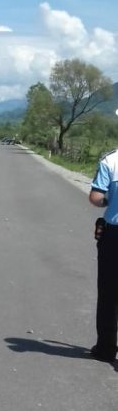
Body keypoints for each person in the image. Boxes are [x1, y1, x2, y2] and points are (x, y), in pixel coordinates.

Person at [89, 147, 118, 363]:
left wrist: (110, 200)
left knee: (109, 292)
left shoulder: (111, 161)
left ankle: (106, 348)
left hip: (114, 235)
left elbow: (96, 197)